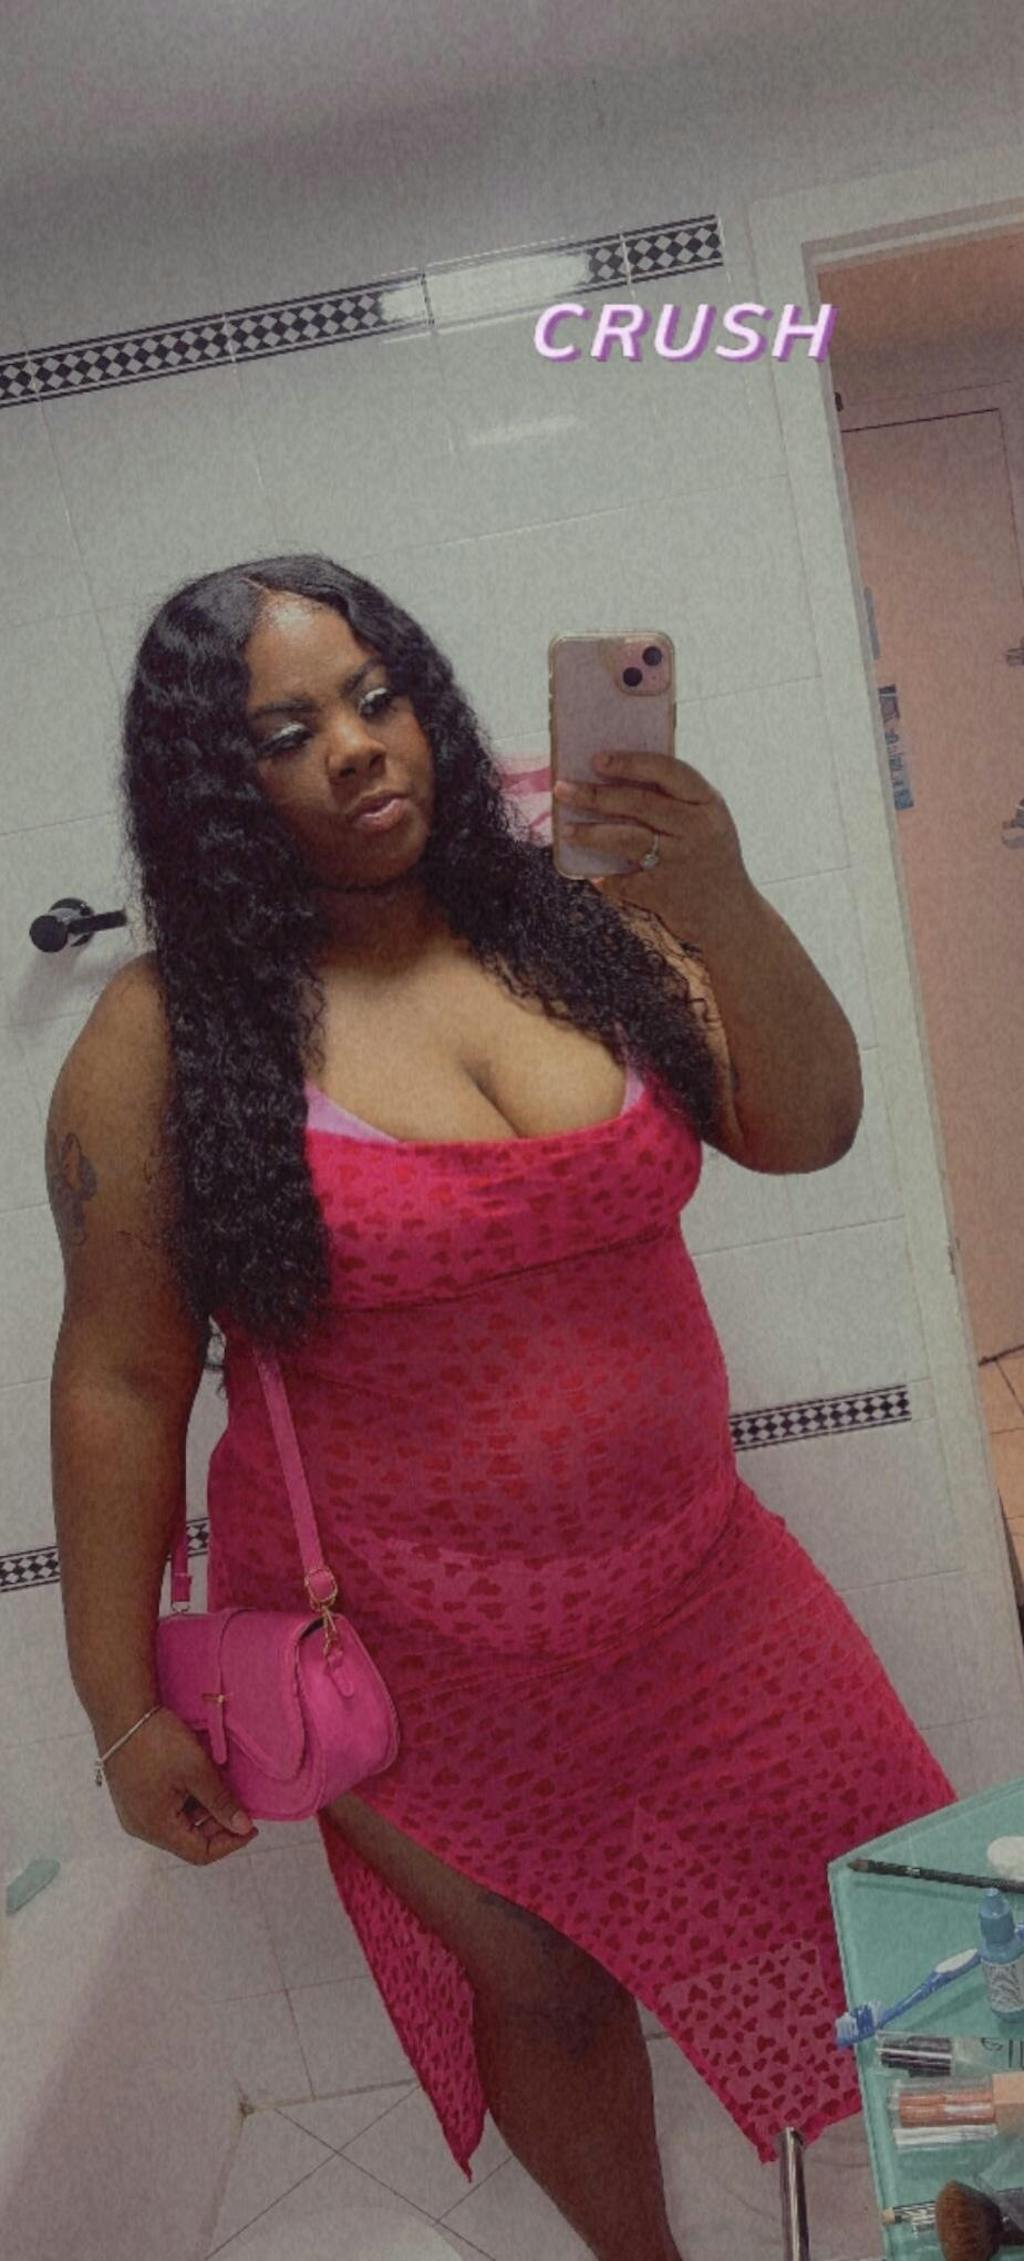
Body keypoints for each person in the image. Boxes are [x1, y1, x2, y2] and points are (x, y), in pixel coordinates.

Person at [47, 554, 956, 2261]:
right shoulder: (165, 1036)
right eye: (284, 733)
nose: (355, 746)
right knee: (543, 1980)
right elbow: (119, 1375)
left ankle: (977, 2222)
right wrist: (119, 1702)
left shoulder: (575, 926)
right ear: (210, 789)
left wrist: (723, 893)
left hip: (703, 1594)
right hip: (412, 1658)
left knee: (924, 1920)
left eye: (376, 695)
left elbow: (810, 1123)